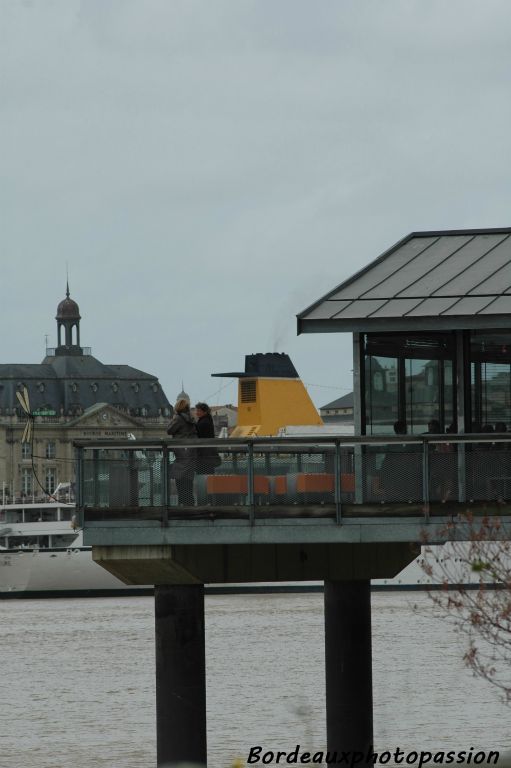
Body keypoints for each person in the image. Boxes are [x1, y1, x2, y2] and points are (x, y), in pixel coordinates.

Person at [167, 398, 197, 505]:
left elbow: (169, 430)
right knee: (188, 483)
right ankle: (189, 505)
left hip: (181, 453)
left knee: (180, 481)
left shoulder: (179, 419)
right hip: (190, 453)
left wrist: (174, 418)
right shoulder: (191, 419)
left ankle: (182, 506)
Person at [194, 402, 222, 475]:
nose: (196, 413)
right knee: (208, 475)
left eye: (198, 411)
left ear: (205, 412)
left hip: (204, 455)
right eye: (196, 410)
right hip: (208, 455)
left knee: (203, 476)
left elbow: (198, 435)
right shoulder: (207, 420)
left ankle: (204, 486)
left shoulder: (204, 422)